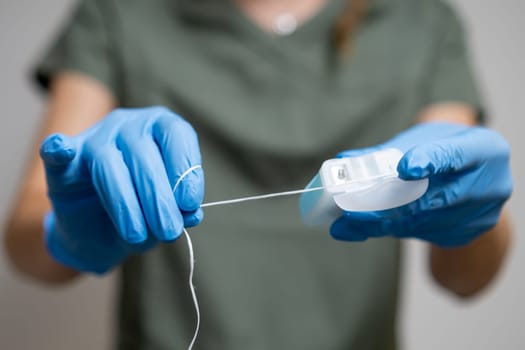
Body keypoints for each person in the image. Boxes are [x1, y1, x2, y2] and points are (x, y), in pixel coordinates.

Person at [3, 0, 513, 349]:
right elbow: (27, 246)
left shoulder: (420, 22)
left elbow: (466, 279)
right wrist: (65, 234)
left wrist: (472, 221)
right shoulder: (122, 13)